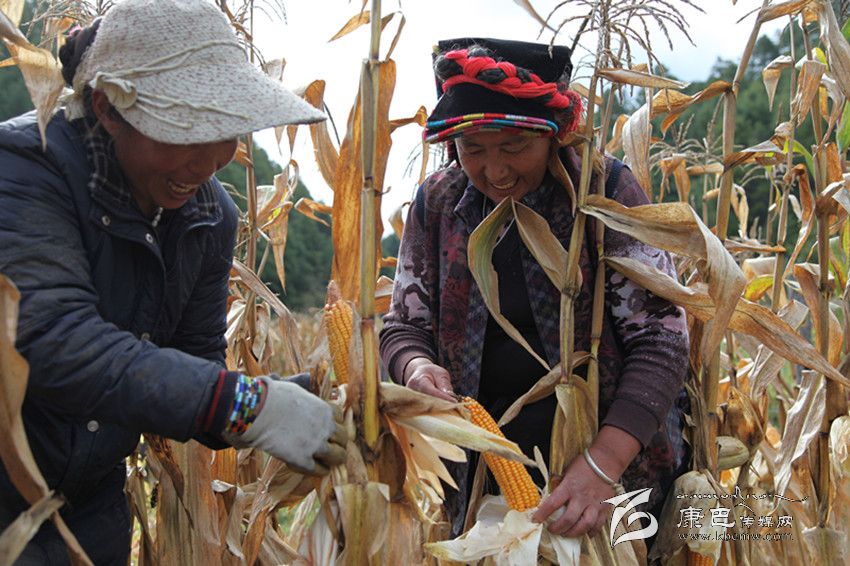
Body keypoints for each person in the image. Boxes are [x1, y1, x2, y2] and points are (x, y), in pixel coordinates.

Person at [0, 0, 345, 563]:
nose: (207, 164)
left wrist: (281, 399)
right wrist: (244, 405)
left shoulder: (208, 217)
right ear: (108, 110)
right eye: (184, 134)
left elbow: (193, 361)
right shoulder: (25, 166)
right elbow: (54, 340)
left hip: (88, 512)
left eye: (226, 133)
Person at [380, 37, 690, 542]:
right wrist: (414, 366)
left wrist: (603, 464)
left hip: (611, 481)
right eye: (473, 149)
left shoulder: (603, 193)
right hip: (481, 485)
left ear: (554, 135)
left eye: (514, 147)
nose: (495, 170)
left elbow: (661, 341)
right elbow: (403, 325)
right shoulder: (438, 203)